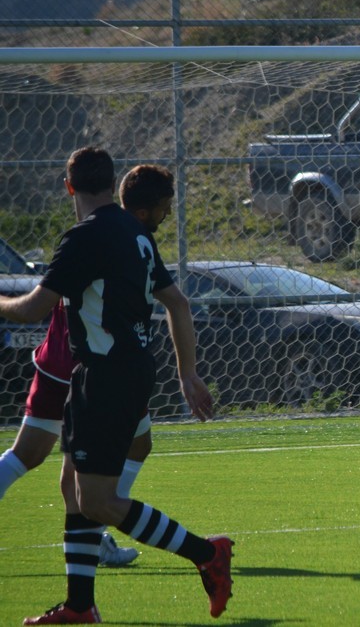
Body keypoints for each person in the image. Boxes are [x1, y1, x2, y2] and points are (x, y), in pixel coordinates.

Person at [0, 149, 233, 625]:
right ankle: (79, 605)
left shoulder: (85, 236)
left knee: (98, 500)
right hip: (113, 372)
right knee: (74, 488)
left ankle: (206, 553)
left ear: (69, 186)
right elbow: (178, 302)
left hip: (106, 376)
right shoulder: (135, 232)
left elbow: (32, 309)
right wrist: (187, 373)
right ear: (112, 184)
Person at [0, 164, 184, 568]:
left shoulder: (93, 232)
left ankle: (89, 555)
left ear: (69, 187)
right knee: (119, 456)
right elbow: (38, 307)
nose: (167, 215)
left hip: (63, 361)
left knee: (35, 457)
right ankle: (195, 549)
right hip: (101, 366)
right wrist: (188, 376)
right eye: (164, 208)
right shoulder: (113, 235)